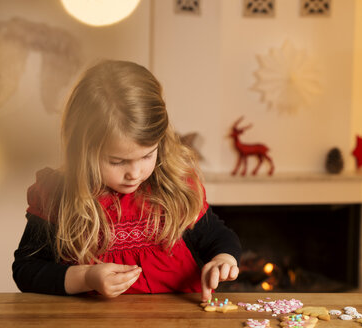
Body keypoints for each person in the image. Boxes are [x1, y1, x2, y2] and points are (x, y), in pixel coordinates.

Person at [12, 60, 241, 301]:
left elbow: (217, 236)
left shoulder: (175, 185)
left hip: (179, 317)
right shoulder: (57, 194)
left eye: (147, 155)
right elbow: (27, 270)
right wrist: (86, 278)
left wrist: (223, 259)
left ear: (160, 142)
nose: (135, 173)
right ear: (83, 151)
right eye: (117, 161)